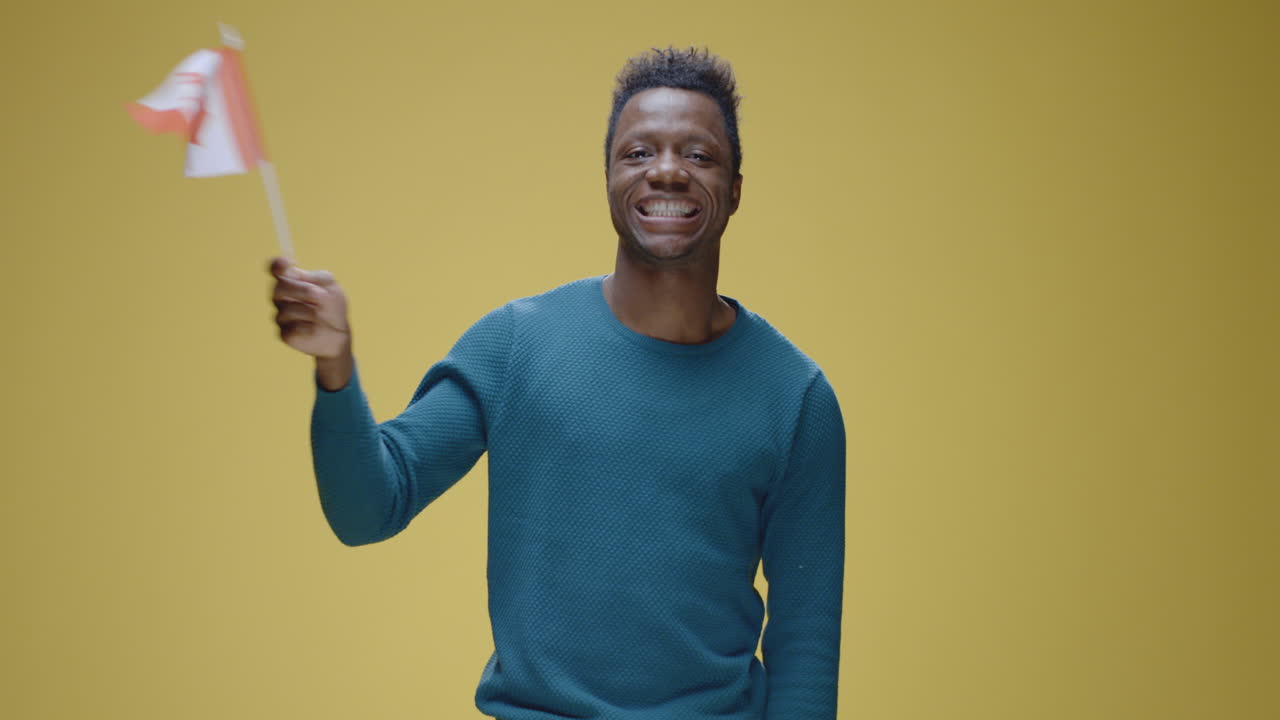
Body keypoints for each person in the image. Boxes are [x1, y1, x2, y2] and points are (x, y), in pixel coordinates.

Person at [268, 47, 845, 720]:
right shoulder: (516, 345)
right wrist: (335, 368)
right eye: (638, 153)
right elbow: (368, 508)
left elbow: (805, 649)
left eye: (698, 154)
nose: (666, 171)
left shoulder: (796, 398)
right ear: (609, 179)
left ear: (736, 189)